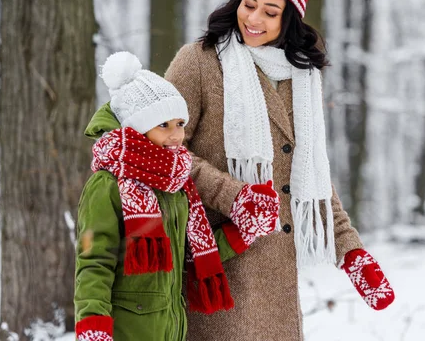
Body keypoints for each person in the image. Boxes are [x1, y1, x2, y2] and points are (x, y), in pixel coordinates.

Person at [164, 0, 395, 340]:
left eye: (270, 13)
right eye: (249, 3)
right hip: (217, 259)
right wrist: (233, 194)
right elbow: (163, 150)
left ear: (290, 20)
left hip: (276, 278)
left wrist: (351, 250)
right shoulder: (199, 61)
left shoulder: (301, 79)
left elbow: (309, 175)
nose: (253, 18)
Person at [74, 52, 280, 341]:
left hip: (170, 327)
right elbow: (94, 259)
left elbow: (189, 254)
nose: (176, 135)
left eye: (180, 124)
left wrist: (243, 231)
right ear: (136, 127)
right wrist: (93, 325)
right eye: (163, 125)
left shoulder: (176, 184)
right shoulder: (108, 184)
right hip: (126, 330)